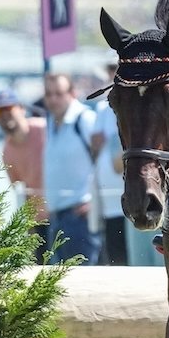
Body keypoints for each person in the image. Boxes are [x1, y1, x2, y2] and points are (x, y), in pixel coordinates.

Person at [40, 73, 100, 264]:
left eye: (59, 93)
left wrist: (93, 200)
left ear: (72, 93)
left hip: (80, 217)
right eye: (49, 94)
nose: (53, 99)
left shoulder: (85, 120)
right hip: (56, 217)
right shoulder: (50, 122)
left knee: (85, 282)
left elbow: (104, 160)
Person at [0, 88, 49, 253]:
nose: (3, 114)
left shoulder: (44, 130)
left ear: (21, 108)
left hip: (65, 212)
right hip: (38, 223)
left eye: (8, 108)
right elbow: (21, 191)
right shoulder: (7, 151)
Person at [87, 68, 129, 266]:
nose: (114, 74)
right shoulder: (103, 109)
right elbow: (96, 145)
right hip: (109, 204)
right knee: (115, 262)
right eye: (111, 70)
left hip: (130, 201)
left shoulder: (137, 102)